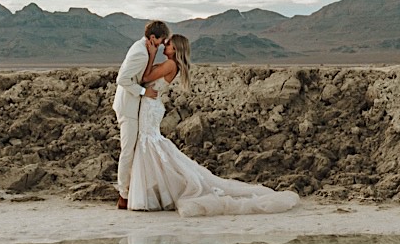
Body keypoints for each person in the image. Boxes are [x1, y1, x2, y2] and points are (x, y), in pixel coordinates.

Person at [125, 34, 301, 216]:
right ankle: (159, 192)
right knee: (151, 143)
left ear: (176, 49)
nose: (164, 46)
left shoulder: (170, 64)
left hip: (151, 106)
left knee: (149, 142)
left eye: (167, 44)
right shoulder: (171, 64)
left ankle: (156, 194)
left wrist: (151, 53)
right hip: (151, 105)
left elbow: (145, 76)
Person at [115, 20, 170, 210]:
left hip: (134, 107)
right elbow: (121, 79)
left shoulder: (144, 49)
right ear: (153, 38)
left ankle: (133, 190)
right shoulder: (140, 52)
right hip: (128, 107)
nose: (164, 45)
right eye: (162, 40)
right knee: (128, 150)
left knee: (134, 149)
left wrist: (153, 55)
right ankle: (123, 195)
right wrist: (142, 92)